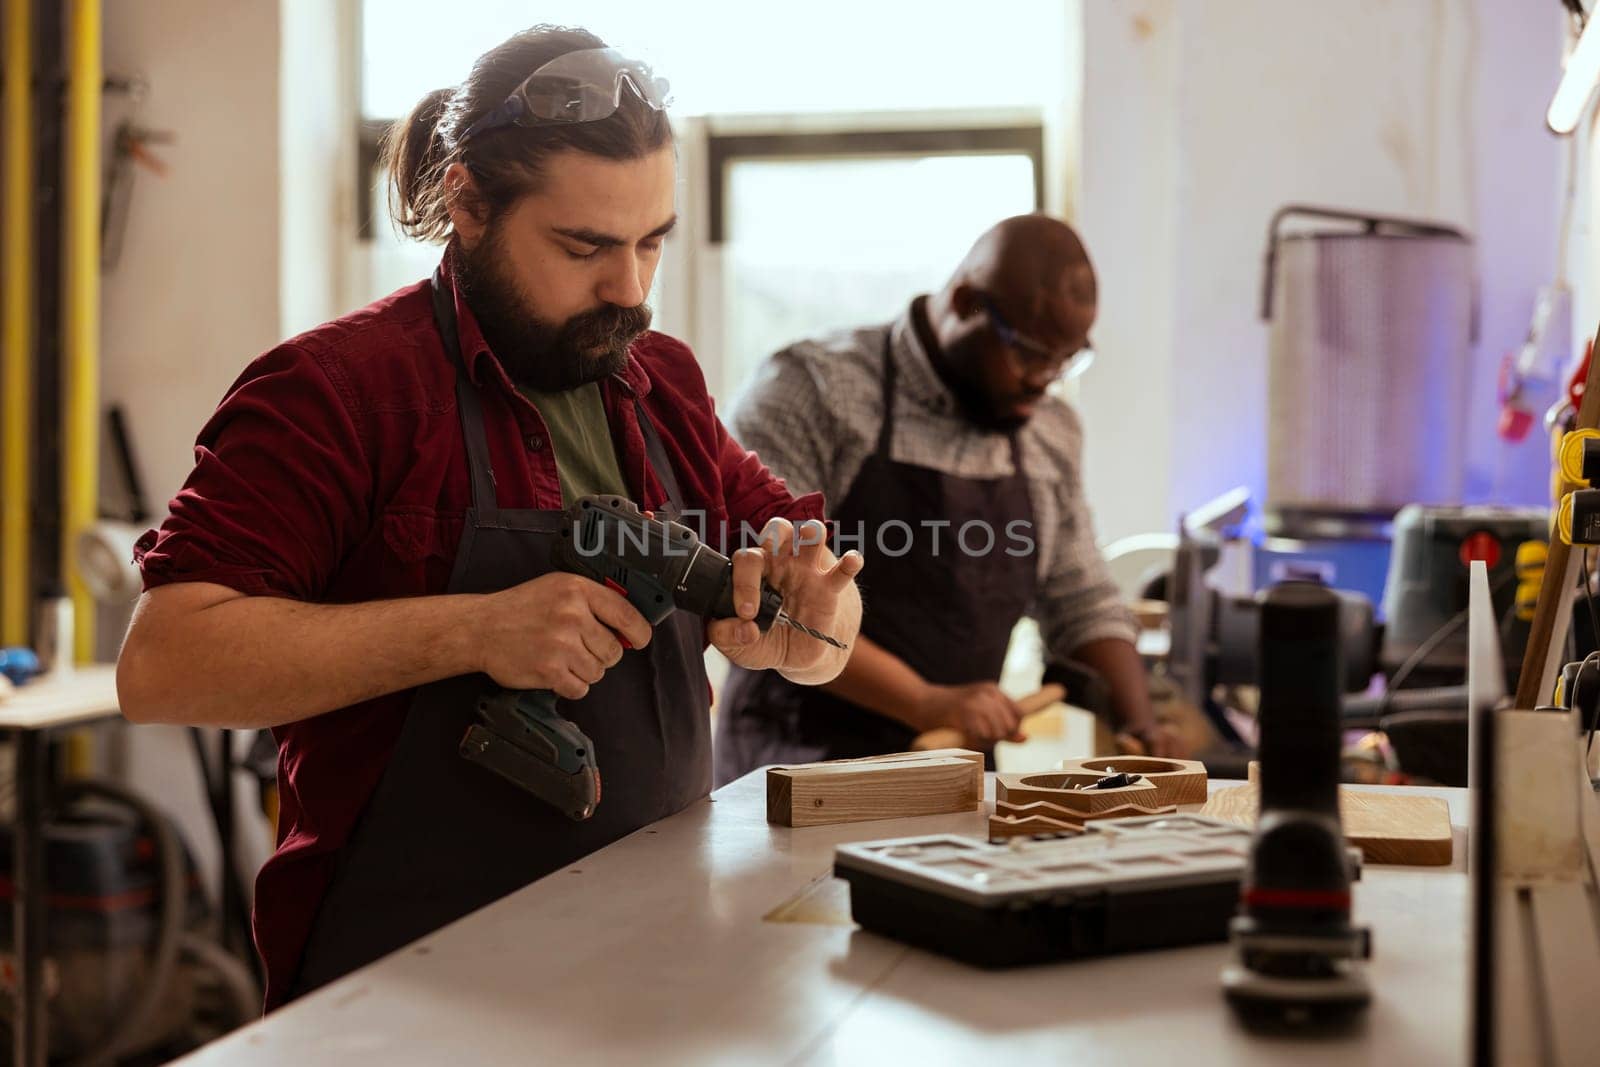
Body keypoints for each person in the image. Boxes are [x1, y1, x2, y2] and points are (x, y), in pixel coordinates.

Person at [115, 26, 862, 1010]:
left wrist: (805, 626)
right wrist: (475, 627)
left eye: (651, 243)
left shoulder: (662, 384)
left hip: (652, 960)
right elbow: (163, 664)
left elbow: (822, 620)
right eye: (584, 246)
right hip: (402, 986)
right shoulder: (340, 392)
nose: (630, 290)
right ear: (467, 202)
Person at [714, 214, 1179, 786]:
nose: (1044, 381)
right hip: (794, 764)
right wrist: (927, 702)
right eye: (1031, 354)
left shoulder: (1050, 431)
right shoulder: (813, 389)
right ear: (964, 303)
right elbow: (774, 594)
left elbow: (1079, 596)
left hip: (950, 775)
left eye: (1066, 361)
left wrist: (1142, 724)